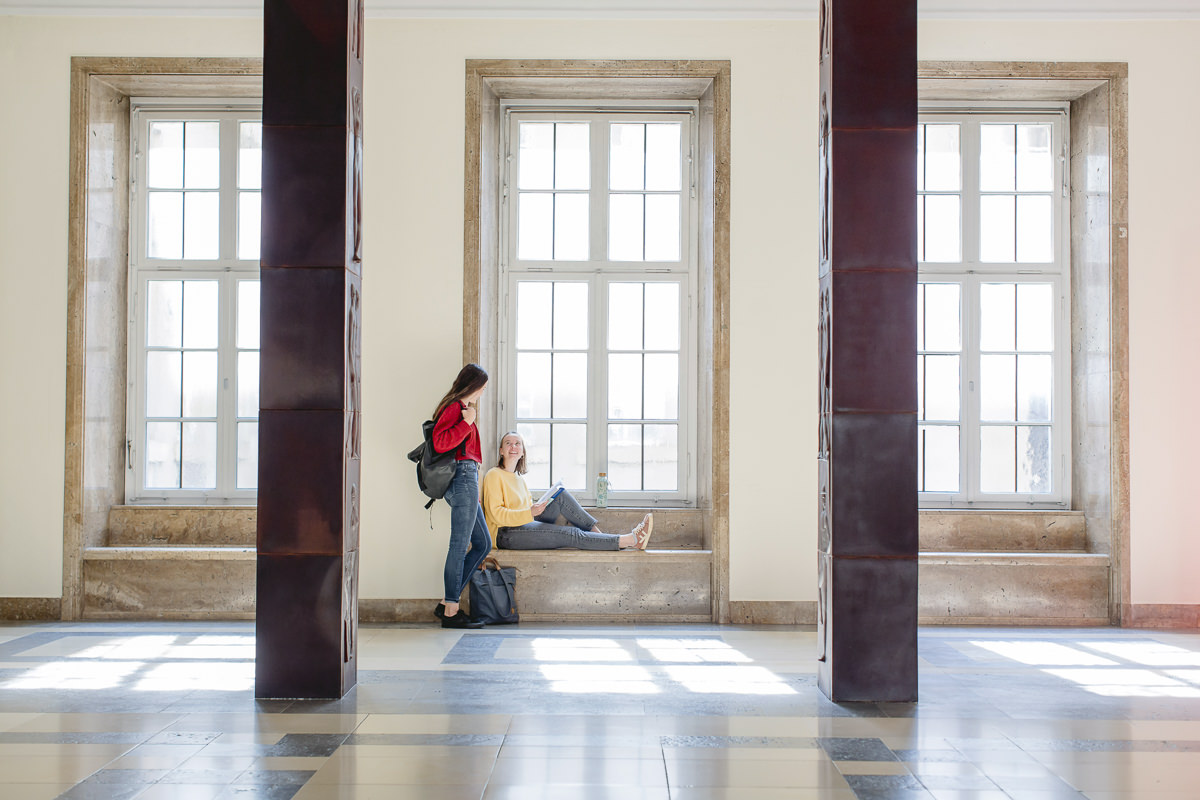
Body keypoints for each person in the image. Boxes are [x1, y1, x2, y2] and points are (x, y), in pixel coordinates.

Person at [482, 431, 653, 551]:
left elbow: (526, 514)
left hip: (522, 525)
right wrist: (530, 512)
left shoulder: (519, 480)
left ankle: (601, 538)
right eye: (508, 443)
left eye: (517, 443)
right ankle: (631, 540)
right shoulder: (494, 475)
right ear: (501, 451)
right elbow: (496, 515)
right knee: (571, 534)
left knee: (560, 495)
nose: (513, 446)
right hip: (504, 534)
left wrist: (537, 507)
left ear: (522, 452)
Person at [431, 363, 492, 629]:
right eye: (483, 386)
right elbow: (440, 442)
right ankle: (452, 611)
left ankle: (447, 603)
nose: (484, 391)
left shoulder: (462, 409)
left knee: (483, 544)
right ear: (473, 385)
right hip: (462, 476)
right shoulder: (456, 408)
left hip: (469, 479)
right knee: (459, 545)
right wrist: (467, 423)